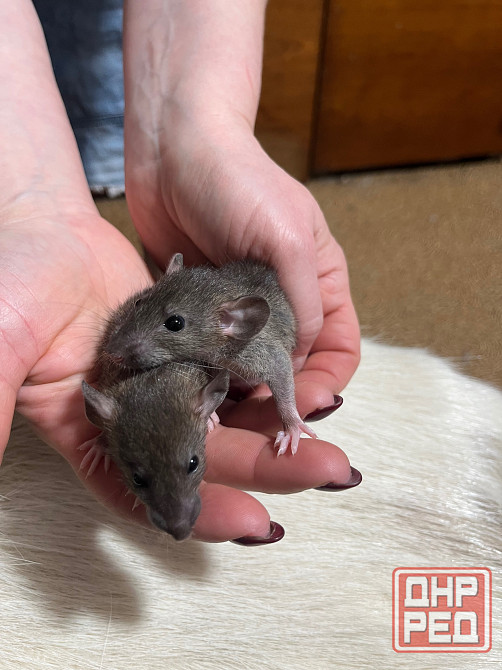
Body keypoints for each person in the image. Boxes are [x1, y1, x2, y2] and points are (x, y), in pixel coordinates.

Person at [0, 0, 360, 543]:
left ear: (232, 325)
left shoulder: (235, 343)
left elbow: (264, 368)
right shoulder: (181, 355)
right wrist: (29, 205)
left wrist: (197, 134)